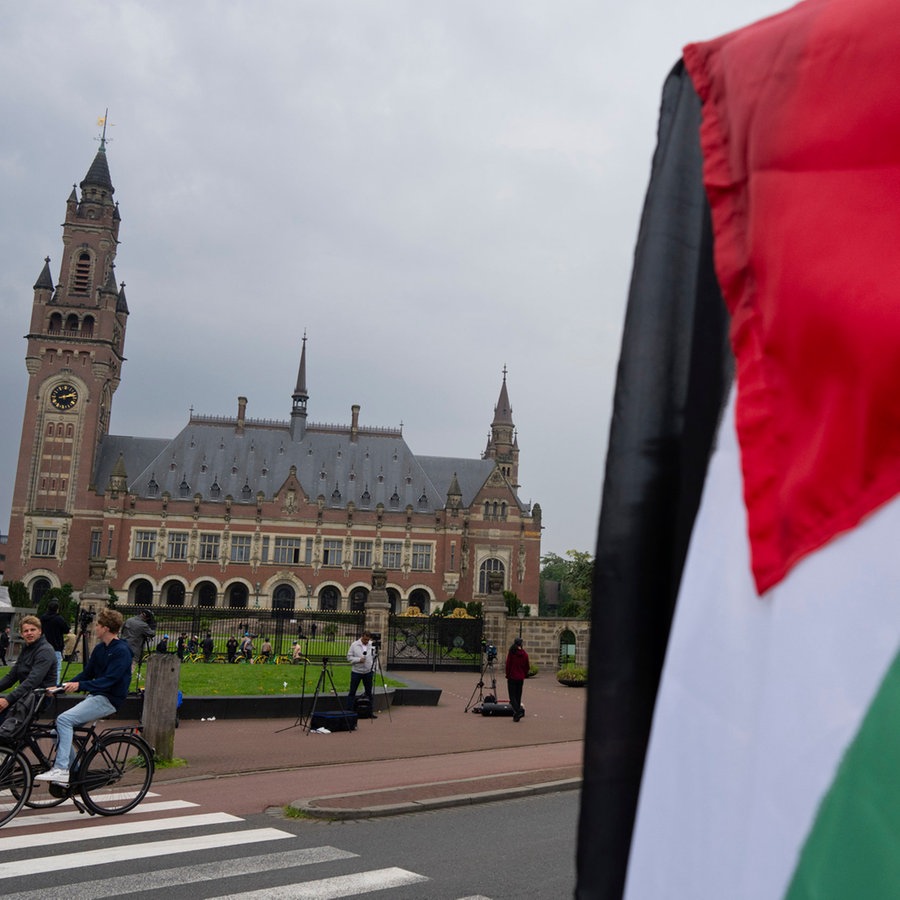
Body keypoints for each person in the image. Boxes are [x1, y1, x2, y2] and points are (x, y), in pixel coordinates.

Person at [35, 608, 132, 785]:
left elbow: (109, 680)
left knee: (63, 720)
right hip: (96, 697)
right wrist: (59, 687)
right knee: (57, 731)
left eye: (99, 625)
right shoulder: (100, 648)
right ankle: (77, 773)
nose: (96, 628)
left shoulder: (122, 651)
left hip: (109, 699)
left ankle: (61, 769)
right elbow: (87, 674)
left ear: (106, 628)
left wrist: (80, 686)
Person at [0, 616, 56, 720]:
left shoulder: (45, 651)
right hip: (26, 695)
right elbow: (12, 676)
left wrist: (8, 699)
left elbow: (33, 680)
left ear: (40, 631)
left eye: (33, 630)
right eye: (26, 631)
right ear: (22, 634)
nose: (29, 633)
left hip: (38, 697)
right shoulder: (27, 648)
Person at [40, 600, 70, 685]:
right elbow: (66, 629)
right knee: (56, 668)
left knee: (43, 666)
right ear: (57, 609)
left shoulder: (43, 618)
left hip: (44, 645)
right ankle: (55, 685)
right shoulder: (58, 619)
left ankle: (43, 683)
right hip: (56, 646)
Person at [346, 631, 376, 714]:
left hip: (368, 672)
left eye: (368, 640)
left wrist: (372, 668)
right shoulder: (354, 644)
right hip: (356, 672)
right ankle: (349, 711)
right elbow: (349, 657)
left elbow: (374, 657)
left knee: (369, 692)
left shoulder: (372, 645)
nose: (366, 641)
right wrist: (358, 660)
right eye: (365, 639)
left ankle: (370, 711)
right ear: (362, 636)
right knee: (352, 691)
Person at [505, 637, 530, 722]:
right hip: (520, 678)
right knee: (518, 696)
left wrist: (507, 674)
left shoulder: (512, 653)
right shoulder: (525, 654)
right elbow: (527, 666)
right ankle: (516, 716)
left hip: (512, 677)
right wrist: (524, 674)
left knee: (512, 697)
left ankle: (518, 711)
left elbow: (508, 664)